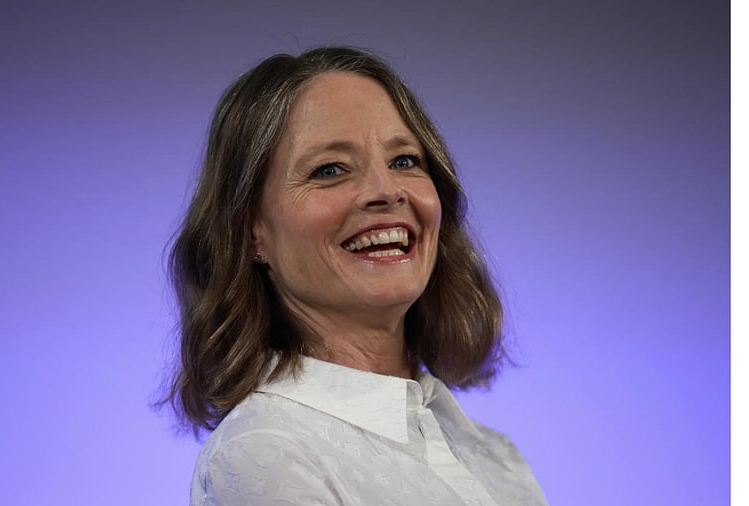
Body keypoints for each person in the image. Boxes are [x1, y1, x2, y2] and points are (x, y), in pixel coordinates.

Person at [164, 46, 548, 505]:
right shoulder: (264, 454)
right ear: (250, 233)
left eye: (404, 160)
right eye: (329, 170)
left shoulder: (498, 459)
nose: (387, 190)